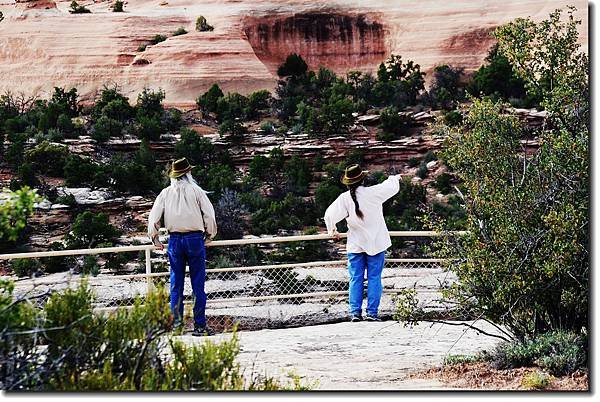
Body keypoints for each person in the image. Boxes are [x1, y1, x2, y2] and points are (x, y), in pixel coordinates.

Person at [148, 157, 217, 336]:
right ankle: (200, 326)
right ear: (188, 173)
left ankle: (177, 326)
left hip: (174, 240)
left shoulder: (165, 193)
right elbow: (209, 215)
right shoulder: (197, 191)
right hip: (195, 239)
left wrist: (155, 239)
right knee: (198, 285)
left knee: (176, 285)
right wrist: (209, 236)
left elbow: (153, 218)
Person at [324, 164, 400, 322]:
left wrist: (332, 230)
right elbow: (390, 187)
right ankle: (372, 313)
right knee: (374, 278)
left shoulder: (344, 198)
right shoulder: (373, 193)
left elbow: (330, 215)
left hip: (355, 244)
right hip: (376, 243)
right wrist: (395, 178)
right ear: (362, 179)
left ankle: (355, 313)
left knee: (356, 278)